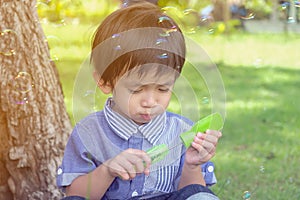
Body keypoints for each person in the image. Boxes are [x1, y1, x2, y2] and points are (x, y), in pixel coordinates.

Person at [56, 1, 222, 200]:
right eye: (136, 90)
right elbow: (75, 194)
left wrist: (191, 165)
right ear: (105, 82)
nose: (151, 101)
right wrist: (107, 170)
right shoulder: (89, 132)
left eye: (163, 88)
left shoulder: (182, 131)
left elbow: (190, 192)